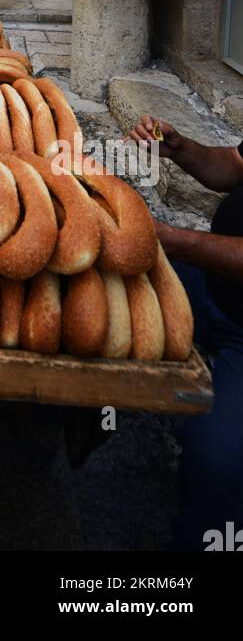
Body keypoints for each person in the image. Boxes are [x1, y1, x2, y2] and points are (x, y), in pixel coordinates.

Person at [127, 113, 243, 551]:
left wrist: (174, 240)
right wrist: (179, 148)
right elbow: (233, 164)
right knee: (106, 290)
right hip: (210, 283)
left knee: (216, 460)